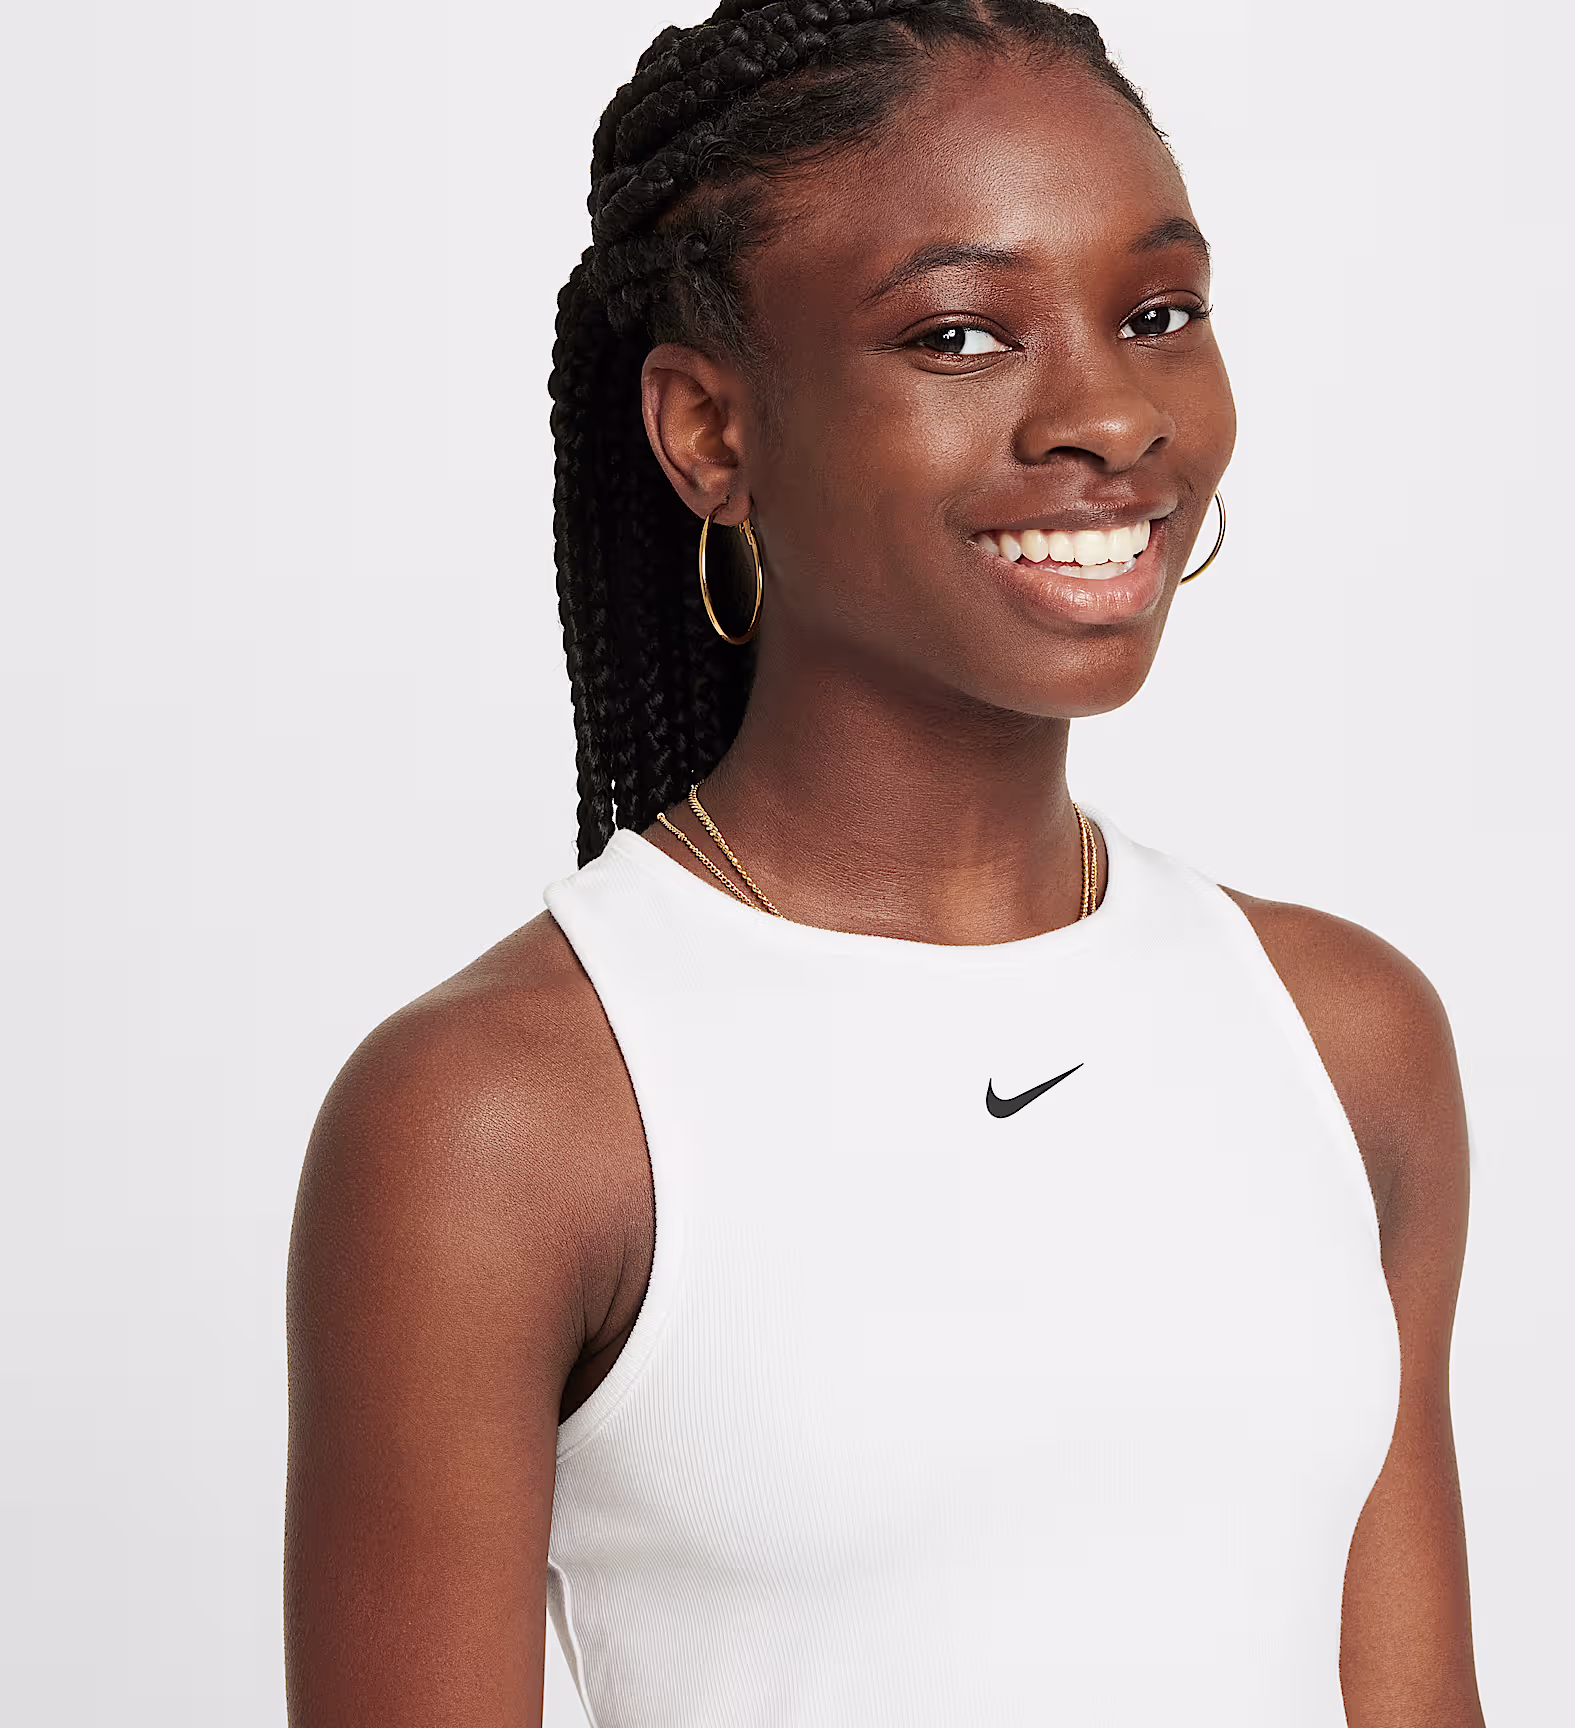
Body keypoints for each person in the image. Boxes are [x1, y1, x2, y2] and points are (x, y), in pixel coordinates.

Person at [285, 3, 1487, 1723]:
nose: (1111, 416)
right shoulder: (507, 1119)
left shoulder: (1346, 1039)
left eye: (1158, 314)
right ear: (711, 433)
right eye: (959, 335)